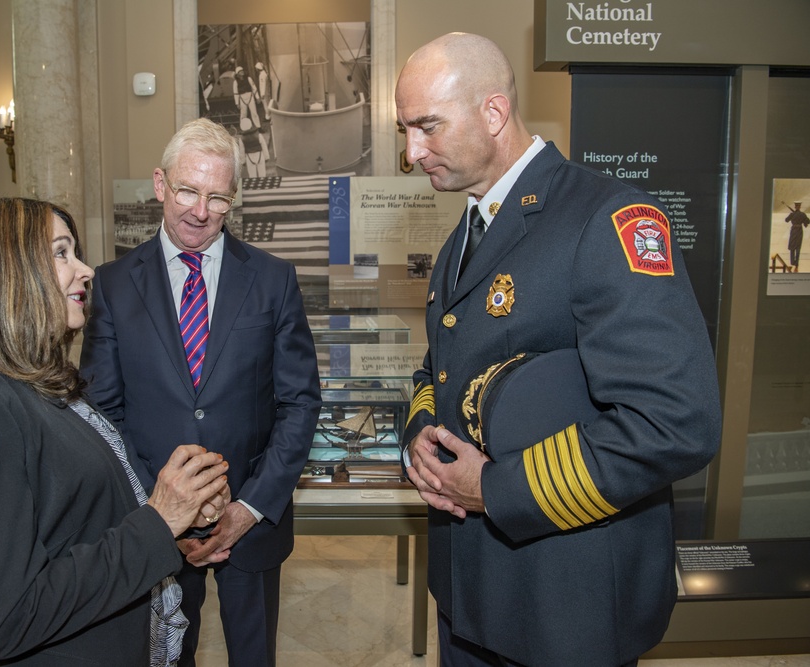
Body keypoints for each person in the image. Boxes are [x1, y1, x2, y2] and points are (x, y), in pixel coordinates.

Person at [395, 33, 722, 667]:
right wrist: (421, 437)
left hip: (561, 601)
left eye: (427, 127)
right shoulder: (464, 237)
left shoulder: (608, 218)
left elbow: (675, 421)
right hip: (470, 591)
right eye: (405, 131)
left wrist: (496, 489)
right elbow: (439, 368)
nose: (412, 152)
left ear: (492, 113)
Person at [0, 198, 231, 666]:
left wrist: (183, 514)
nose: (86, 270)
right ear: (8, 271)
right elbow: (6, 618)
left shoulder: (32, 381)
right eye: (61, 253)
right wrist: (158, 523)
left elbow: (74, 525)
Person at [79, 118, 321, 667]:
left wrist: (250, 507)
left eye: (217, 197)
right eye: (187, 190)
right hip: (154, 526)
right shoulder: (114, 284)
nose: (199, 210)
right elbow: (103, 413)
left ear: (233, 199)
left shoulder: (273, 279)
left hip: (252, 529)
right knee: (165, 658)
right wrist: (164, 511)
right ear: (161, 184)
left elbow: (299, 403)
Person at [784, 201, 809, 272]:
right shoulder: (803, 214)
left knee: (792, 247)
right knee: (798, 247)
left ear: (795, 207)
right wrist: (804, 222)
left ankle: (792, 262)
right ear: (799, 207)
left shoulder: (792, 214)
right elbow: (808, 221)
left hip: (793, 231)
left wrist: (792, 216)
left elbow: (786, 220)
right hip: (799, 231)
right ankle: (796, 263)